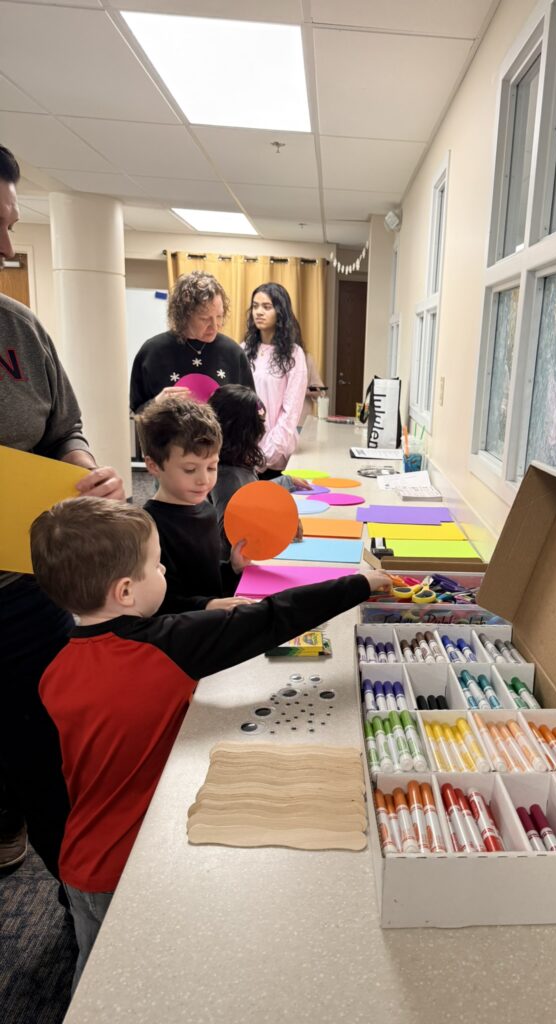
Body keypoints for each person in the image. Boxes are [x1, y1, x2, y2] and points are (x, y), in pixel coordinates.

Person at [30, 497, 390, 988]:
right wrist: (361, 583)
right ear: (126, 590)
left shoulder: (54, 670)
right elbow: (270, 618)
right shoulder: (165, 648)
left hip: (79, 860)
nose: (164, 571)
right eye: (157, 564)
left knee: (93, 981)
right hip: (132, 864)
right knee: (142, 982)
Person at [0, 143, 125, 881]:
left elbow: (64, 427)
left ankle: (74, 894)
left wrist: (81, 466)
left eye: (10, 224)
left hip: (25, 592)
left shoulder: (20, 329)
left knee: (49, 757)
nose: (7, 248)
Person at [136, 395, 251, 614]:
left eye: (212, 467)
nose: (204, 480)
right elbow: (158, 604)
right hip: (185, 630)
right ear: (154, 465)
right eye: (190, 469)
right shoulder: (147, 528)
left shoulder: (207, 510)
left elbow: (207, 579)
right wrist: (206, 606)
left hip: (212, 623)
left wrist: (232, 569)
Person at [208, 384, 310, 558]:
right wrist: (278, 523)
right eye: (259, 425)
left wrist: (285, 481)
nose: (263, 431)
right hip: (241, 569)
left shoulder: (238, 463)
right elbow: (230, 536)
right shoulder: (226, 476)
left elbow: (249, 493)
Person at [129, 271, 254, 414]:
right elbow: (137, 412)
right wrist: (157, 403)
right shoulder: (152, 352)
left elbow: (250, 411)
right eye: (205, 319)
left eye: (219, 316)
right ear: (184, 315)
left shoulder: (233, 353)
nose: (215, 326)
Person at [243, 283, 307, 478]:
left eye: (266, 307)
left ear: (280, 311)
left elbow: (290, 412)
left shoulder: (294, 354)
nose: (259, 312)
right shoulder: (242, 350)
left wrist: (265, 455)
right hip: (244, 452)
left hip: (277, 455)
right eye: (255, 306)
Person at [300, 350, 326, 430]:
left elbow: (320, 390)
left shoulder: (306, 358)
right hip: (277, 424)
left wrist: (305, 390)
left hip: (301, 422)